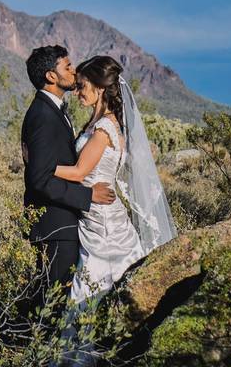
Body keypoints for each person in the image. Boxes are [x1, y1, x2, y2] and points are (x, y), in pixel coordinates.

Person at [54, 55, 177, 304]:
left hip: (103, 221)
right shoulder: (100, 124)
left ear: (100, 88)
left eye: (82, 85)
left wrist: (43, 168)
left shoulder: (103, 130)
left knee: (95, 277)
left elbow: (79, 172)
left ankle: (90, 338)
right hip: (94, 213)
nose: (77, 92)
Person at [21, 45, 117, 302]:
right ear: (51, 76)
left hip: (68, 222)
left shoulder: (54, 110)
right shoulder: (42, 114)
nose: (74, 72)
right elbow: (39, 179)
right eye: (67, 66)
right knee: (52, 301)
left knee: (58, 297)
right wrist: (87, 196)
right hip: (55, 224)